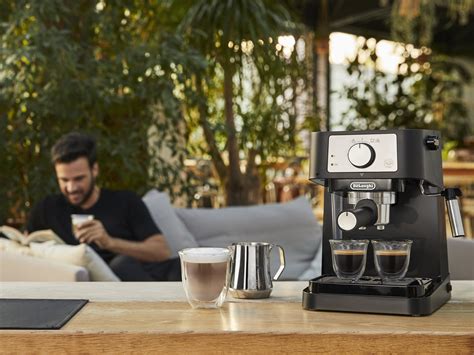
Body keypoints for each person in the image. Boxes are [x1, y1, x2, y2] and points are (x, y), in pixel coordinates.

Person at [27, 132, 180, 281]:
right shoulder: (47, 209)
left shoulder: (126, 201)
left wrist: (109, 242)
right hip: (92, 288)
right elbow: (24, 244)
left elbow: (162, 251)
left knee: (125, 264)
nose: (71, 187)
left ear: (94, 170)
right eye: (64, 180)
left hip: (144, 277)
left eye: (79, 178)